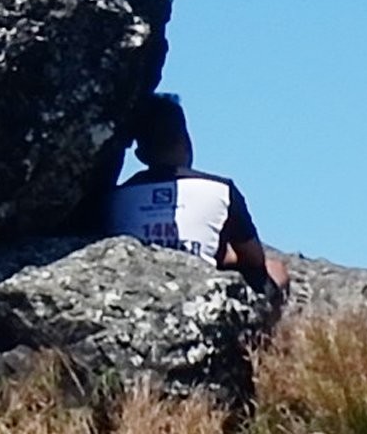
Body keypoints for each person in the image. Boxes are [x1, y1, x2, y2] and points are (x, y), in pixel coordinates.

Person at [111, 91, 275, 296]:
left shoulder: (116, 198)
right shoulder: (221, 189)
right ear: (186, 139)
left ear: (140, 155)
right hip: (197, 292)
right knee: (276, 271)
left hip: (134, 291)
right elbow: (254, 259)